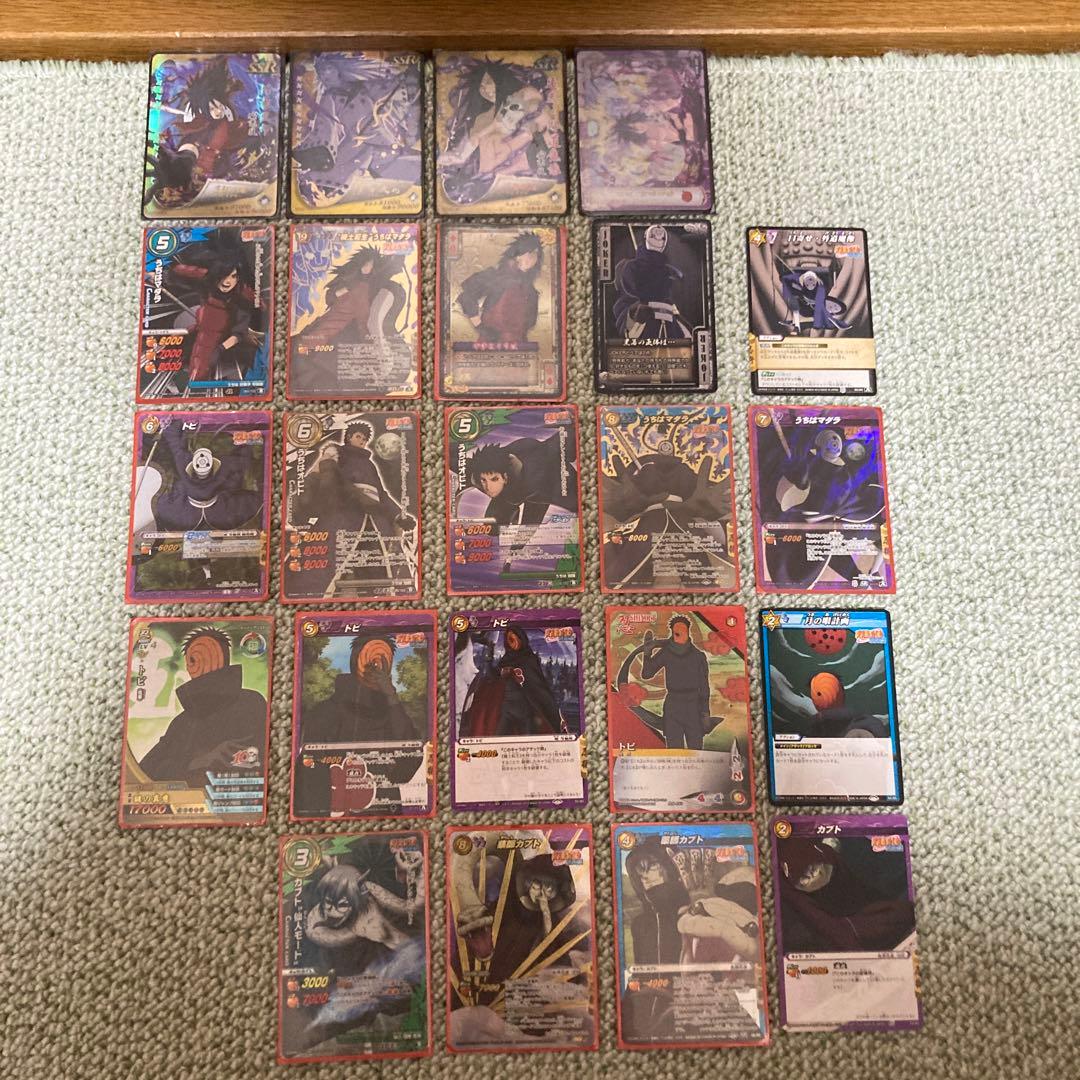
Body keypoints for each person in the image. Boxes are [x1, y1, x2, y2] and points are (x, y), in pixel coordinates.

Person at [137, 626, 265, 785]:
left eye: (196, 658)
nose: (193, 666)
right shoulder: (182, 723)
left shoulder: (250, 703)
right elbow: (145, 770)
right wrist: (196, 762)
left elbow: (257, 761)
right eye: (191, 661)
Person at [459, 624, 565, 738]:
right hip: (507, 709)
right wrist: (490, 660)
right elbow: (493, 675)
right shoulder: (506, 659)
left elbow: (538, 686)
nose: (513, 643)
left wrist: (513, 672)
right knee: (497, 739)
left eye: (515, 639)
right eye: (509, 639)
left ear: (521, 639)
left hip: (525, 710)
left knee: (529, 740)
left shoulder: (529, 659)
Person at [456, 232, 544, 344]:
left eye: (535, 254)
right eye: (528, 252)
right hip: (490, 345)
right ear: (516, 254)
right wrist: (480, 327)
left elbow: (530, 323)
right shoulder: (496, 276)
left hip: (520, 346)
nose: (531, 257)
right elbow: (466, 296)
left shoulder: (531, 291)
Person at [639, 616, 711, 750]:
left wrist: (705, 713)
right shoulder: (666, 653)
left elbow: (704, 687)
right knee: (674, 750)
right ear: (672, 633)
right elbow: (647, 674)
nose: (680, 635)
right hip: (673, 706)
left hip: (693, 707)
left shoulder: (698, 656)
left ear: (688, 632)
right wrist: (647, 653)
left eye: (683, 632)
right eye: (677, 633)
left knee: (696, 750)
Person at [613, 225, 693, 342]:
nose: (658, 238)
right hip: (644, 315)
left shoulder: (667, 271)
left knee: (686, 337)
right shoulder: (631, 268)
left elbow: (674, 285)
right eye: (653, 236)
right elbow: (628, 288)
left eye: (662, 238)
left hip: (666, 314)